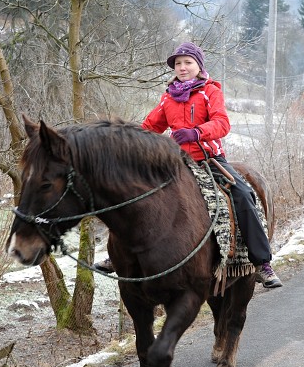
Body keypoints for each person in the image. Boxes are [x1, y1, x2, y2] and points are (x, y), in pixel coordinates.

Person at [95, 42, 282, 288]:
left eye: (187, 63)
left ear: (198, 66)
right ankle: (120, 255)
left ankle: (262, 264)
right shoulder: (168, 98)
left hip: (210, 160)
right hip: (176, 162)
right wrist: (124, 141)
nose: (182, 68)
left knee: (244, 195)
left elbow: (222, 124)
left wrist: (196, 133)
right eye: (178, 64)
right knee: (136, 194)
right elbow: (150, 127)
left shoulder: (210, 92)